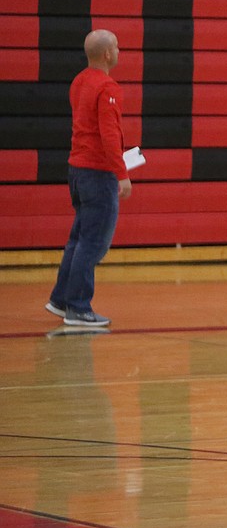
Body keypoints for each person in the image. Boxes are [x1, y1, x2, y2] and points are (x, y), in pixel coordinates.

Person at [44, 30, 132, 328]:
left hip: (77, 171)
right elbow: (109, 135)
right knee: (93, 243)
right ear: (107, 54)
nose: (120, 51)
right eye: (117, 47)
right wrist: (122, 175)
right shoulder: (108, 87)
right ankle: (79, 308)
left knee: (78, 240)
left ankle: (60, 299)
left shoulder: (79, 81)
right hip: (98, 174)